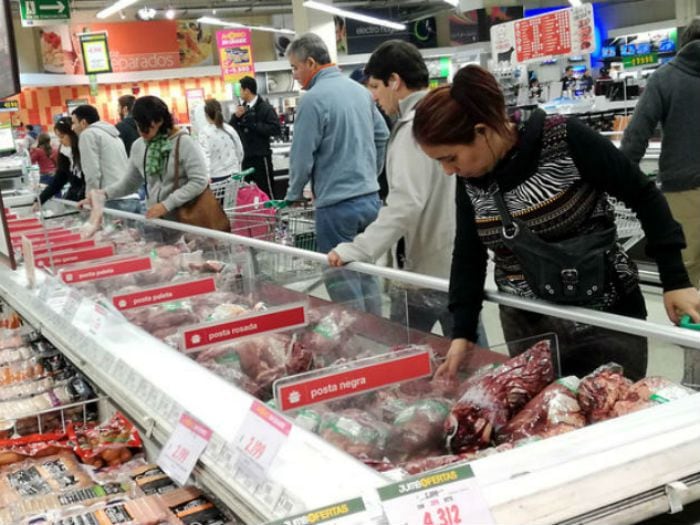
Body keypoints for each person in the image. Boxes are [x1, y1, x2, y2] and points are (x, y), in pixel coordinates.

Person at [412, 64, 700, 382]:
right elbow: (469, 253)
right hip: (527, 327)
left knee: (611, 415)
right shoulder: (473, 179)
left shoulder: (565, 139)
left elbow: (645, 196)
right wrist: (462, 332)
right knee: (544, 421)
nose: (448, 171)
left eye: (450, 158)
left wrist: (676, 280)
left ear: (482, 131)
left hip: (604, 318)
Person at [327, 40, 486, 343]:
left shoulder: (413, 127)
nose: (374, 97)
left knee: (403, 355)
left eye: (375, 86)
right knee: (473, 351)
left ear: (395, 81)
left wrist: (358, 249)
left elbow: (405, 203)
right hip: (456, 262)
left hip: (423, 270)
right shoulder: (446, 116)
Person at [286, 33, 390, 314]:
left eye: (295, 67)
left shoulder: (312, 100)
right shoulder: (360, 92)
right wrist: (371, 173)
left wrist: (294, 193)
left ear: (310, 62)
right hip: (370, 201)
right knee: (366, 271)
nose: (294, 75)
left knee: (341, 279)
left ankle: (356, 344)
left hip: (336, 205)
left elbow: (301, 155)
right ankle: (376, 335)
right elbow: (382, 136)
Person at [621, 20, 700, 387]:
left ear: (682, 43)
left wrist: (622, 184)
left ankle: (695, 378)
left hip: (682, 195)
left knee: (688, 287)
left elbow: (636, 136)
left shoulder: (666, 78)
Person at [98, 96, 208, 222]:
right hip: (156, 220)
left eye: (146, 126)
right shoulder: (138, 146)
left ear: (160, 121)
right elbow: (130, 183)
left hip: (186, 219)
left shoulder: (183, 142)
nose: (141, 131)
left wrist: (166, 205)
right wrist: (103, 194)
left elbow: (199, 180)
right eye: (138, 125)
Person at [71, 104, 141, 214]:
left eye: (74, 123)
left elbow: (92, 172)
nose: (72, 127)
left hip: (112, 199)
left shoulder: (88, 134)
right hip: (131, 196)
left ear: (83, 122)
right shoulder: (113, 134)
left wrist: (91, 198)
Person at [230, 76, 281, 198]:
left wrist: (254, 125)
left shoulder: (264, 108)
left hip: (261, 157)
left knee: (266, 190)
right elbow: (231, 130)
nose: (240, 93)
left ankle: (273, 215)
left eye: (241, 90)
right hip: (246, 157)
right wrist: (235, 118)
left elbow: (275, 129)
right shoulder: (242, 109)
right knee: (247, 193)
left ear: (247, 90)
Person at [38, 117, 85, 206]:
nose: (60, 140)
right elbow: (59, 180)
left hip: (90, 201)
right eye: (58, 137)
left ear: (72, 134)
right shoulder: (65, 152)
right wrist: (40, 200)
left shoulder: (85, 151)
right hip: (77, 201)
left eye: (62, 136)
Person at [199, 98, 244, 182]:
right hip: (234, 175)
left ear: (206, 115)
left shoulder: (205, 133)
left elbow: (205, 156)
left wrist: (207, 175)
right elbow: (240, 151)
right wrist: (237, 166)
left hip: (216, 177)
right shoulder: (229, 129)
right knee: (233, 195)